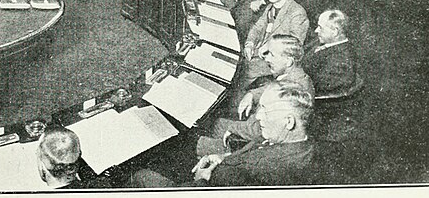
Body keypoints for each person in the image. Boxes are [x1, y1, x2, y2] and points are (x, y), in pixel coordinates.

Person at [130, 81, 315, 187]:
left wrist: (201, 180)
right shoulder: (297, 142)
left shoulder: (259, 168)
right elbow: (259, 148)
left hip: (204, 186)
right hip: (226, 163)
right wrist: (224, 156)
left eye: (265, 111)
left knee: (141, 176)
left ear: (289, 122)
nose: (258, 117)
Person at [197, 35, 314, 155]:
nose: (266, 58)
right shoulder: (298, 77)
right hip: (256, 131)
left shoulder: (294, 84)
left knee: (212, 127)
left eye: (271, 55)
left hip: (253, 142)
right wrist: (252, 94)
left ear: (288, 61)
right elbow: (275, 89)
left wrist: (232, 129)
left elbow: (257, 131)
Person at [242, 0, 310, 62]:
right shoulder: (270, 7)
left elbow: (295, 43)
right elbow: (257, 28)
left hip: (277, 60)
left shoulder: (297, 12)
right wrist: (250, 44)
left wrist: (269, 47)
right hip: (259, 54)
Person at [302, 10, 359, 98]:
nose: (316, 30)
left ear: (335, 31)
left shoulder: (342, 60)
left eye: (320, 27)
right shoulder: (322, 41)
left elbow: (316, 87)